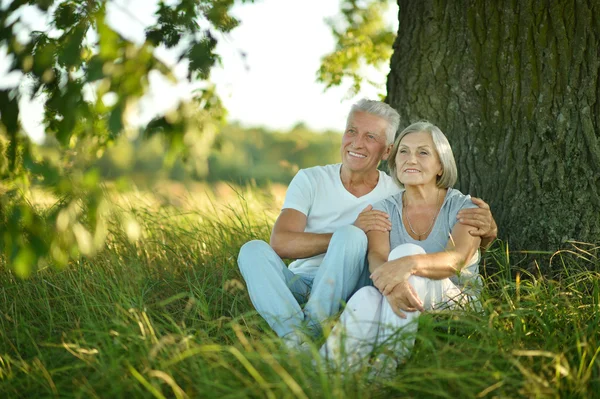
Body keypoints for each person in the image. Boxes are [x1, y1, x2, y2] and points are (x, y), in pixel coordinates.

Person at [237, 101, 497, 347]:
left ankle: (311, 332)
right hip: (301, 281)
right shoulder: (310, 179)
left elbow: (442, 215)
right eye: (352, 131)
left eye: (370, 137)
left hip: (351, 286)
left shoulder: (398, 189)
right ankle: (297, 339)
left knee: (351, 237)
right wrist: (351, 229)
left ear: (386, 152)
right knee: (252, 250)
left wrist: (489, 232)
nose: (357, 143)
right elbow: (280, 243)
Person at [320, 121, 489, 373]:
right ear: (395, 162)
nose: (411, 159)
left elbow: (457, 260)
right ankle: (326, 373)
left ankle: (384, 370)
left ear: (440, 165)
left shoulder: (465, 207)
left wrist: (409, 263)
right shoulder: (383, 209)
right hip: (401, 293)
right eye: (403, 152)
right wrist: (396, 281)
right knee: (366, 296)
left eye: (423, 152)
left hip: (457, 299)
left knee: (406, 253)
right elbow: (377, 257)